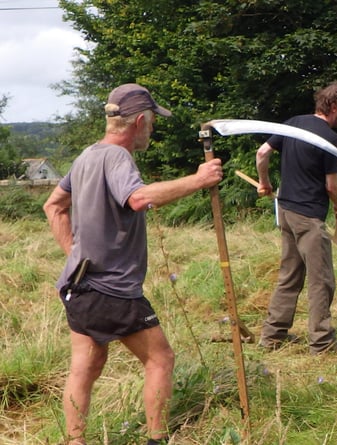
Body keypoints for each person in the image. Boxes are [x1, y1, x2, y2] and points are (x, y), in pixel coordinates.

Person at [43, 83, 224, 445]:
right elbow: (138, 198)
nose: (152, 130)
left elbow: (53, 206)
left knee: (86, 366)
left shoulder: (86, 156)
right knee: (161, 359)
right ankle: (157, 440)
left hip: (79, 287)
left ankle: (74, 441)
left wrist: (75, 256)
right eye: (152, 122)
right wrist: (199, 180)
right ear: (139, 121)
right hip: (113, 291)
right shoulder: (117, 158)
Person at [256, 81, 337, 355]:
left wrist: (264, 182)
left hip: (286, 210)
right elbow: (331, 185)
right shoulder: (329, 138)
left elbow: (262, 152)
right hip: (309, 215)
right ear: (334, 107)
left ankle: (272, 336)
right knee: (321, 279)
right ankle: (322, 342)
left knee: (290, 274)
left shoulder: (293, 123)